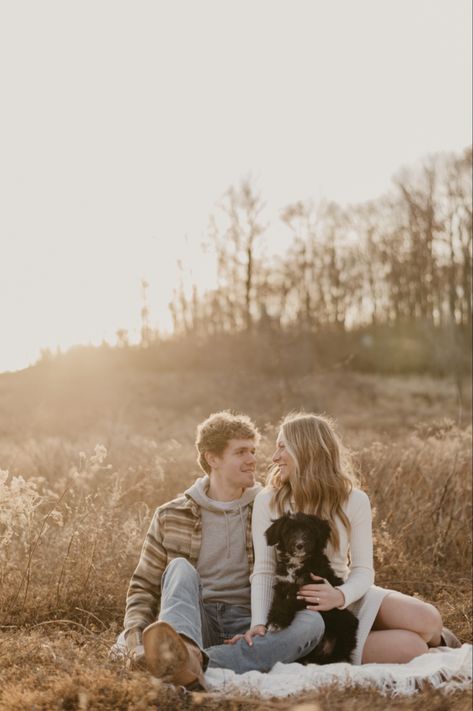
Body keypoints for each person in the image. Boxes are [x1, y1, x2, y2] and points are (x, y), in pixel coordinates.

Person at [117, 411, 325, 689]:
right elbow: (143, 588)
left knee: (312, 624)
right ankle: (187, 650)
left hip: (251, 623)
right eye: (241, 452)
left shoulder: (273, 509)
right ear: (212, 458)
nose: (253, 459)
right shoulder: (170, 515)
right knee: (179, 568)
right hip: (195, 622)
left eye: (252, 450)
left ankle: (188, 662)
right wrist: (136, 643)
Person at [241, 412, 461, 664]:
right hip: (305, 609)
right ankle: (381, 639)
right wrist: (259, 622)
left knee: (428, 619)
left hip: (348, 593)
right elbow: (264, 570)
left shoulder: (354, 499)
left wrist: (340, 595)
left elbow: (363, 570)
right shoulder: (268, 500)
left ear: (306, 450)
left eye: (282, 447)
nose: (274, 457)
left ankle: (438, 638)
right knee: (412, 648)